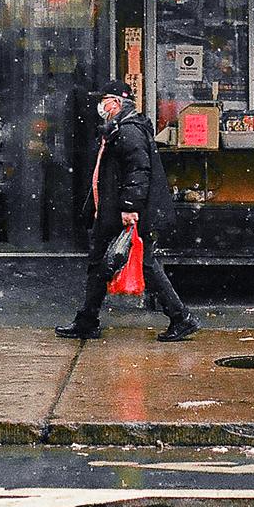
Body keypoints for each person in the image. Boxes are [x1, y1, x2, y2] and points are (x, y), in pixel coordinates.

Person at [56, 79, 201, 342]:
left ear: (116, 103)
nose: (101, 106)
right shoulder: (118, 128)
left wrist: (129, 207)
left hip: (126, 214)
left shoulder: (128, 131)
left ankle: (181, 317)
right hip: (111, 211)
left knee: (145, 266)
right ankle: (87, 320)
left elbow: (138, 171)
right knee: (99, 264)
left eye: (104, 101)